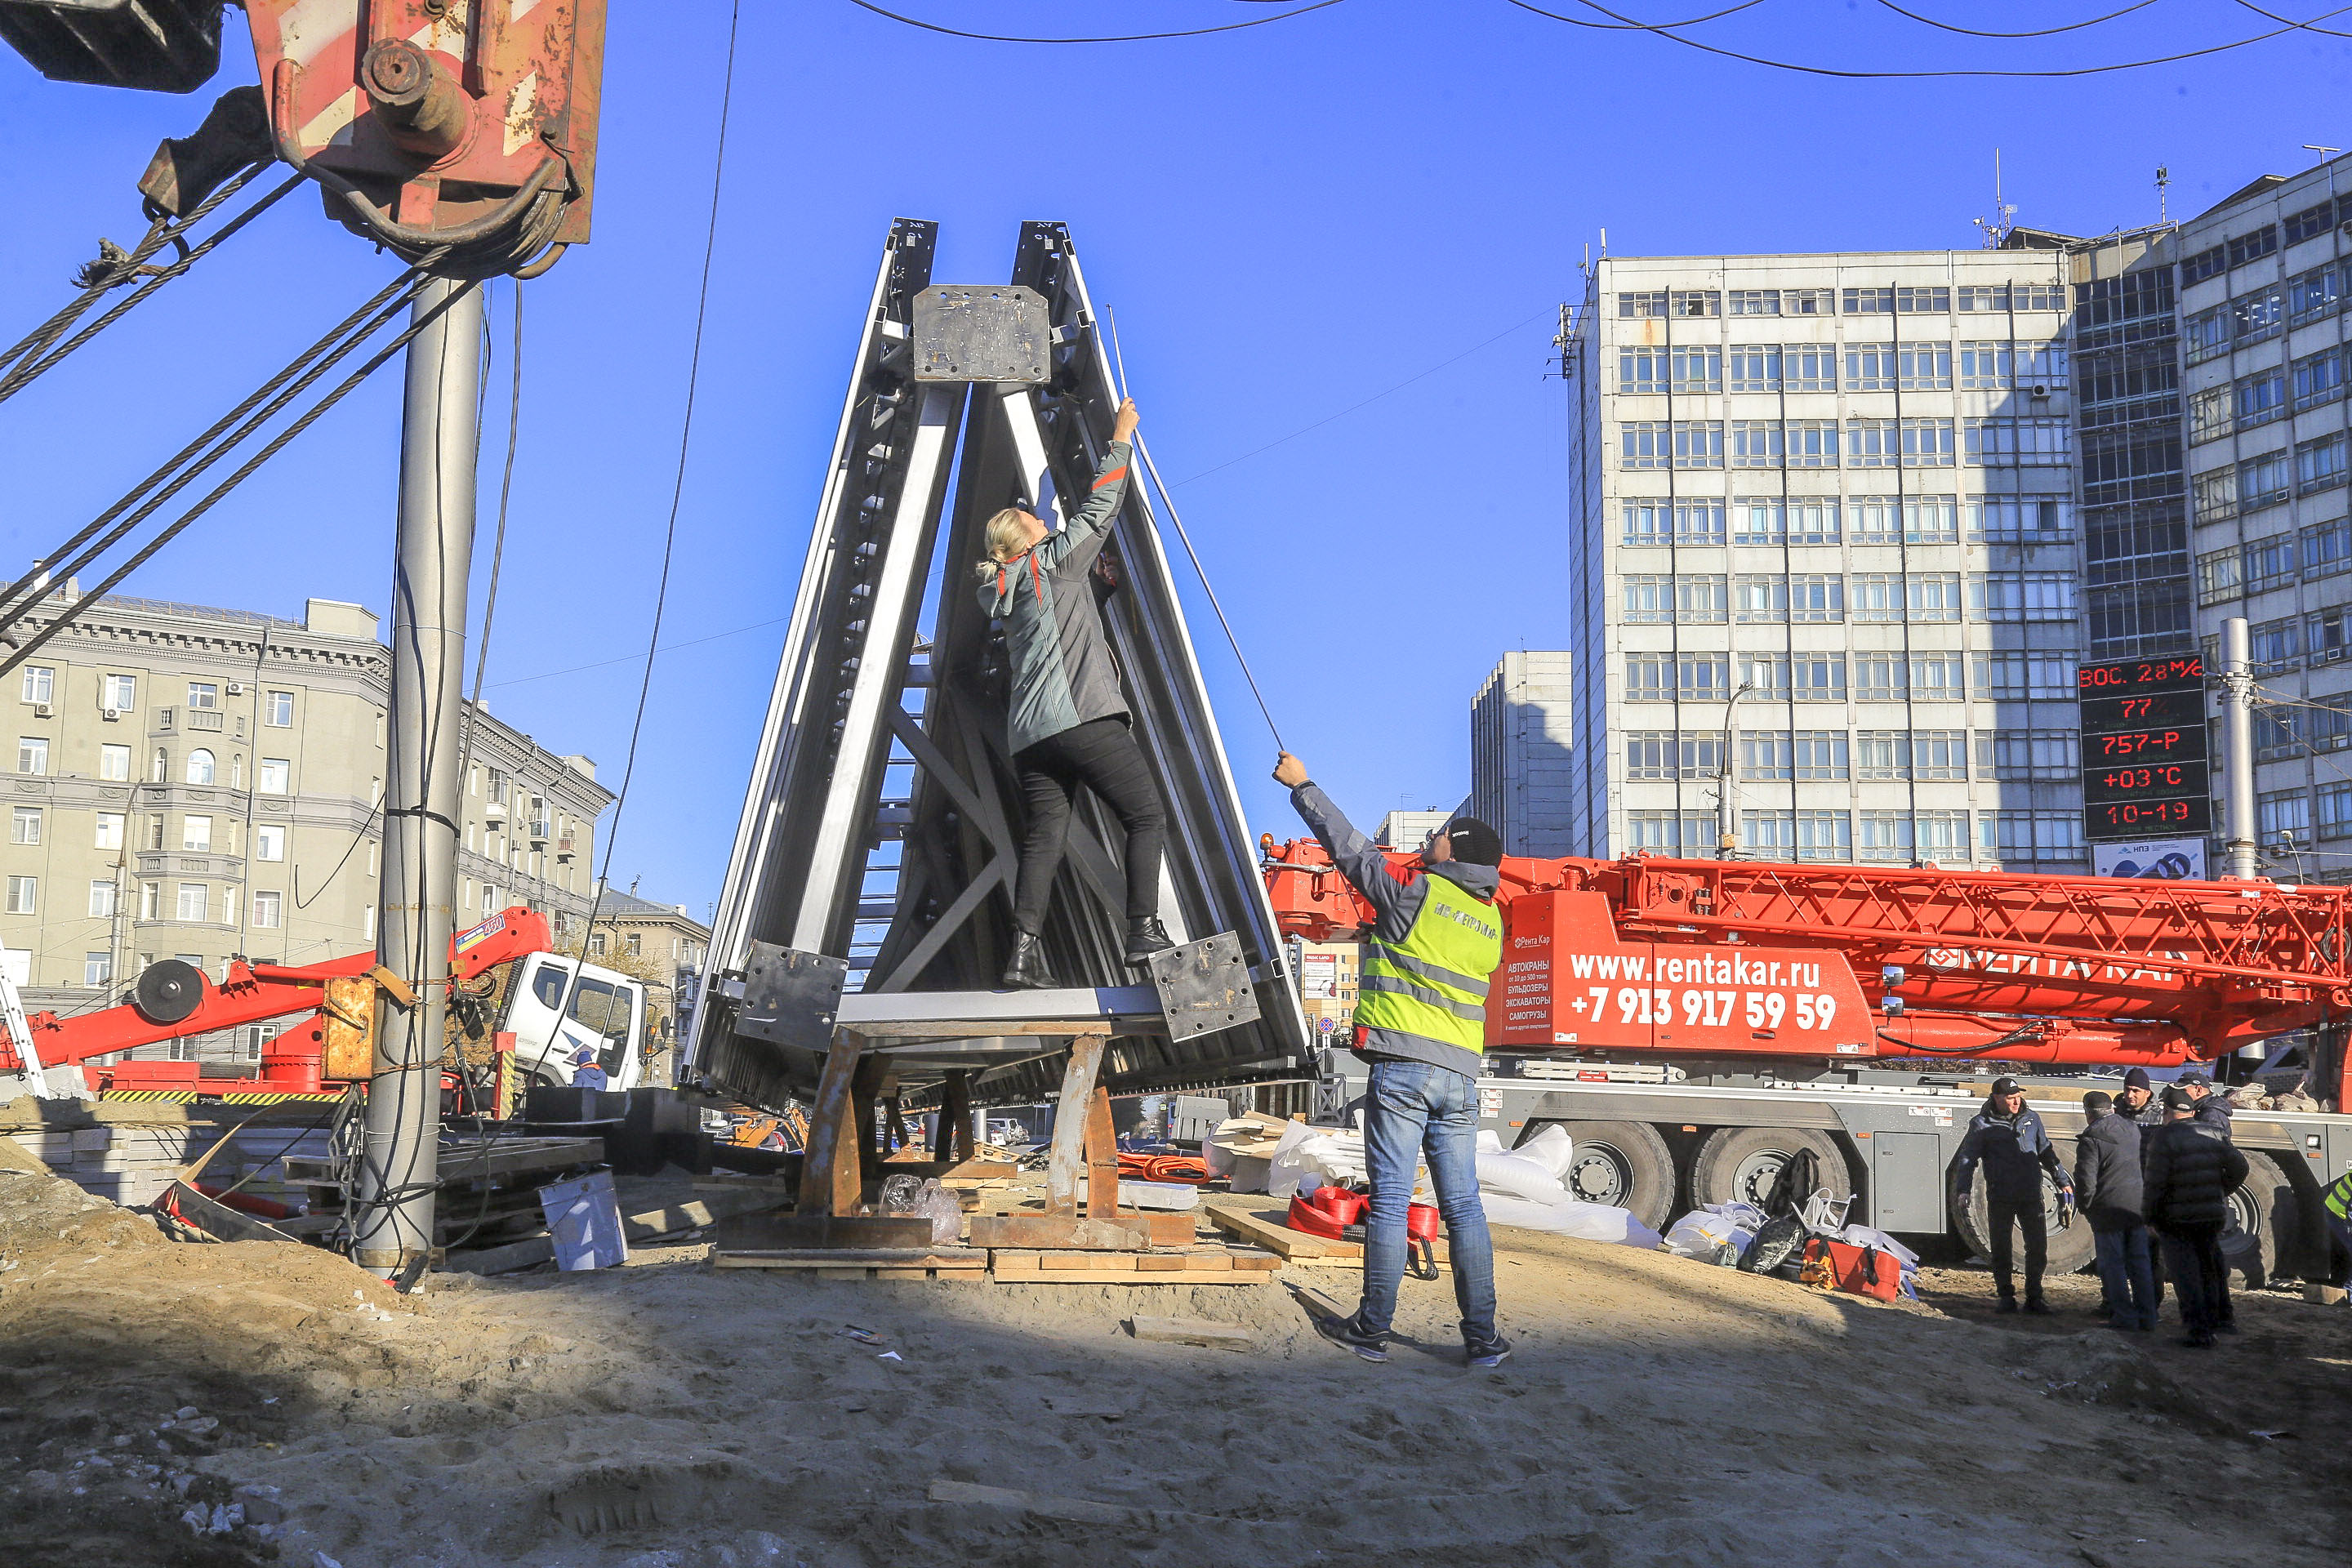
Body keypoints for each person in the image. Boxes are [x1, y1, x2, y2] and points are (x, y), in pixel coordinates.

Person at [1273, 749, 1507, 1368]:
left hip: (1403, 1070)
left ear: (1453, 852)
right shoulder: (1492, 922)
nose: (1429, 840)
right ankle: (1482, 1340)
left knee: (1394, 1200)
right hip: (1460, 1078)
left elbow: (1352, 854)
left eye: (1437, 836)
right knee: (1463, 1207)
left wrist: (1304, 787)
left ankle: (1372, 1330)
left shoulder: (1417, 894)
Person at [974, 397, 1173, 988]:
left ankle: (1022, 956)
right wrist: (1121, 436)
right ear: (1026, 538)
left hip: (1030, 739)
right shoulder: (1053, 564)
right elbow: (1100, 510)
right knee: (1147, 815)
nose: (1045, 519)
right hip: (1081, 718)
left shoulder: (1009, 592)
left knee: (1044, 840)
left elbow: (1071, 620)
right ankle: (1142, 929)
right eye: (1035, 519)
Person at [1952, 1076, 2074, 1313]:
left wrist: (2061, 1179)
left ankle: (2035, 1296)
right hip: (2000, 1195)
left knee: (2037, 1247)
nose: (2016, 1102)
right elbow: (1968, 1159)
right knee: (2001, 1247)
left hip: (2030, 1193)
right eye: (2010, 1098)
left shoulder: (2031, 1118)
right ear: (1997, 1098)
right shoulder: (1981, 1125)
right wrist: (1963, 1190)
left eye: (2018, 1096)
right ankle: (2006, 1296)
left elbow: (2045, 1150)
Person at [2143, 1085, 2248, 1348]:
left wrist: (2150, 1218)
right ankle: (2219, 1321)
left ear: (2167, 1112)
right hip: (2210, 1215)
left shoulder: (2164, 1138)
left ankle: (2199, 1332)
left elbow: (2155, 1183)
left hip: (2176, 1218)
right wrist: (2221, 1190)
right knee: (2210, 1269)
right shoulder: (2214, 1132)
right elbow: (2240, 1166)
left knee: (2186, 1274)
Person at [2074, 1090, 2154, 1331]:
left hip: (2108, 1211)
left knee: (2113, 1265)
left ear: (2089, 1114)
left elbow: (2086, 1179)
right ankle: (2147, 1316)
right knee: (2140, 1263)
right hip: (2136, 1207)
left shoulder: (2091, 1138)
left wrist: (2085, 1206)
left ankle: (2123, 1316)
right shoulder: (2131, 1128)